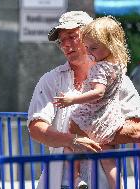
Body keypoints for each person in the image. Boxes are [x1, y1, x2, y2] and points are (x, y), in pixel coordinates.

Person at [27, 11, 140, 189]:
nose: (65, 45)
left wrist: (88, 134)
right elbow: (36, 128)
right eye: (61, 41)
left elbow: (137, 131)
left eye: (72, 37)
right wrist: (71, 140)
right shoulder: (50, 79)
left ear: (92, 37)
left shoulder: (120, 80)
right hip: (57, 182)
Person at [53, 16, 128, 189]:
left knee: (71, 138)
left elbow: (98, 92)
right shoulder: (118, 65)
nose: (89, 52)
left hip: (92, 117)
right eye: (87, 47)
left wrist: (72, 99)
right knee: (109, 160)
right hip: (110, 119)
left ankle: (75, 178)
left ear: (110, 44)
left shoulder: (100, 68)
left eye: (93, 48)